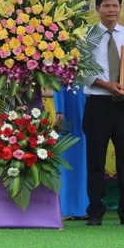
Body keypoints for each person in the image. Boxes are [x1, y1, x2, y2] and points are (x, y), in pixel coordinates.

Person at [81, 0, 124, 226]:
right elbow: (82, 71)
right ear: (98, 8)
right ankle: (95, 212)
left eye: (115, 5)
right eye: (106, 5)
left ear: (120, 8)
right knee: (96, 160)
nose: (111, 10)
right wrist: (107, 85)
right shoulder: (88, 36)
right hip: (98, 104)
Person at [52, 86, 88, 219]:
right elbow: (57, 82)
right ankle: (67, 207)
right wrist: (60, 110)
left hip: (84, 99)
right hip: (69, 100)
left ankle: (82, 206)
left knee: (82, 154)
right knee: (68, 152)